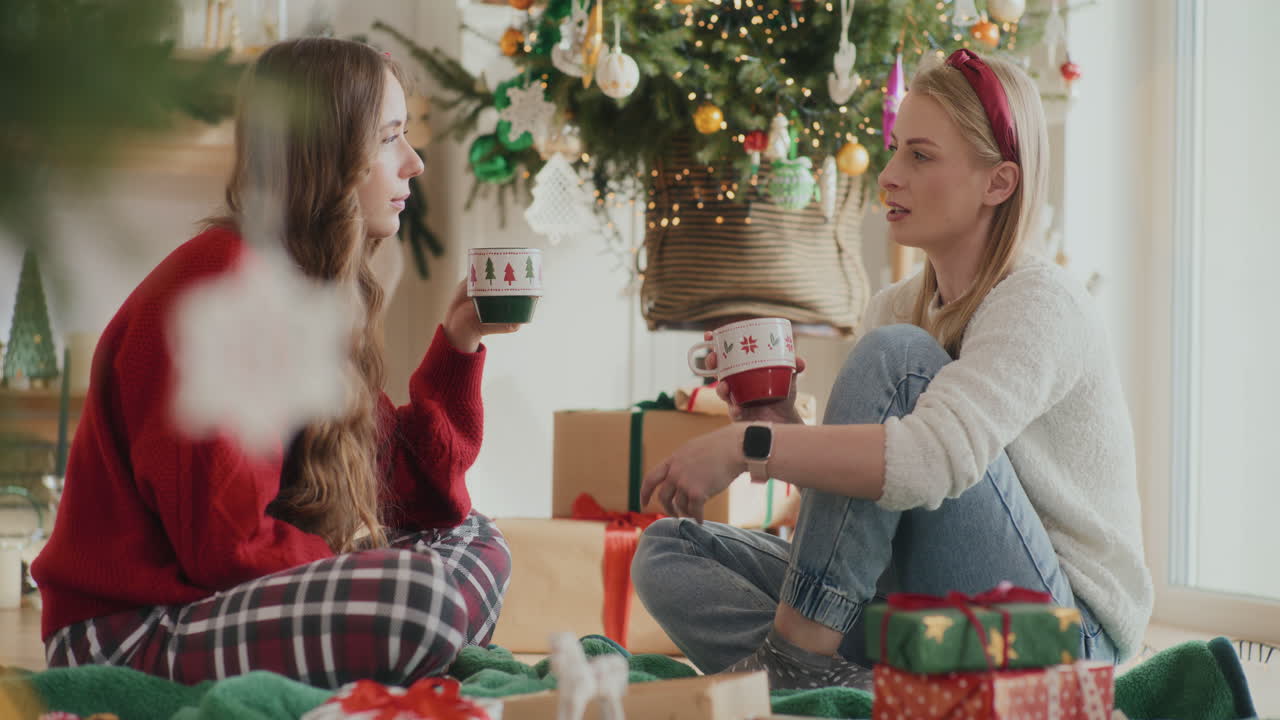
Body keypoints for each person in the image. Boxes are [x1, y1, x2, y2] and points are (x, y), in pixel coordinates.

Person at [631, 49, 1152, 689]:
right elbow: (857, 520)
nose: (888, 175)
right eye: (895, 149)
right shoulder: (896, 307)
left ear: (1000, 182)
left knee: (897, 360)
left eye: (920, 156)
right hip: (925, 611)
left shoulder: (1040, 302)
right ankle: (853, 690)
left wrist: (754, 445)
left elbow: (930, 460)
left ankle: (797, 665)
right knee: (668, 549)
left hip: (1059, 633)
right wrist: (785, 424)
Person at [31, 38, 518, 688]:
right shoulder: (225, 283)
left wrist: (458, 342)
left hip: (223, 598)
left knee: (479, 540)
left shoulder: (306, 288)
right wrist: (364, 567)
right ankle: (409, 646)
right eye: (390, 138)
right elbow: (226, 545)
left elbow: (398, 489)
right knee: (422, 598)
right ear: (329, 156)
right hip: (137, 627)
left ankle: (399, 645)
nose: (415, 163)